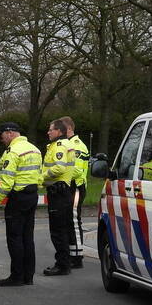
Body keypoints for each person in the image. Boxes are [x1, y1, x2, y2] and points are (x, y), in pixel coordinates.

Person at [0, 122, 42, 286]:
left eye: (2, 135)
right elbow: (39, 176)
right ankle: (29, 276)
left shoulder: (12, 152)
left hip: (18, 197)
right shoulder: (35, 149)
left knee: (15, 237)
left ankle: (17, 276)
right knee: (28, 237)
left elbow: (6, 181)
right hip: (32, 195)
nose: (1, 139)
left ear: (11, 133)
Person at [41, 119, 76, 275]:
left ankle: (62, 265)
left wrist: (41, 177)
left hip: (58, 192)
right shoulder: (63, 145)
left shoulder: (59, 146)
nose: (48, 132)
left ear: (59, 132)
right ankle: (64, 263)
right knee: (62, 229)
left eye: (51, 129)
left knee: (57, 230)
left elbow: (59, 168)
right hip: (62, 191)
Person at [60, 115, 89, 269]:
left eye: (62, 129)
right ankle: (73, 254)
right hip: (71, 186)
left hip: (76, 186)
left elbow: (77, 170)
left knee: (74, 221)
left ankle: (77, 257)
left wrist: (59, 173)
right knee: (69, 221)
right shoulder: (69, 144)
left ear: (69, 129)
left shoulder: (76, 145)